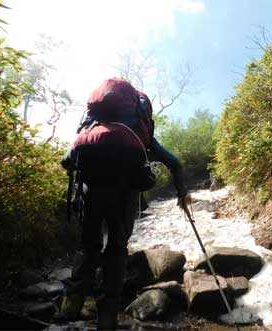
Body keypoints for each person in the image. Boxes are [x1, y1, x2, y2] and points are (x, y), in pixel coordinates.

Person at [58, 79, 189, 330]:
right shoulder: (140, 135)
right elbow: (175, 163)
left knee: (88, 246)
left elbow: (67, 162)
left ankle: (69, 308)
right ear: (138, 112)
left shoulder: (90, 128)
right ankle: (107, 318)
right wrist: (182, 194)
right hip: (123, 197)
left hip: (90, 195)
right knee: (116, 251)